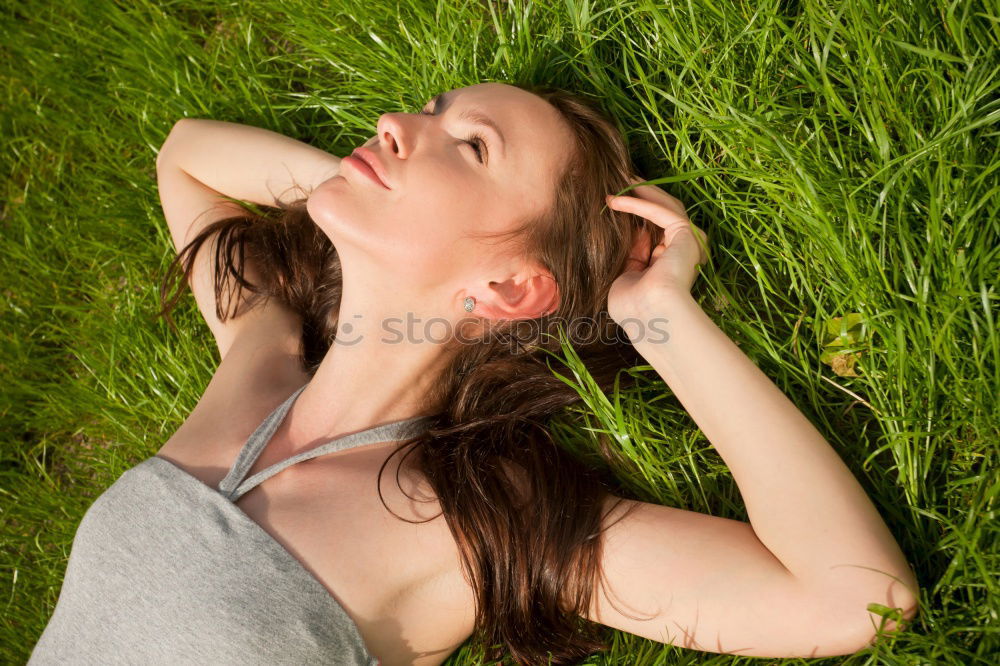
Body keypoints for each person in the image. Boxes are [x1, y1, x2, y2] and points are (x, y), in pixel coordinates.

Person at [29, 82, 919, 666]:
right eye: (429, 111)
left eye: (472, 147)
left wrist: (660, 319)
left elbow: (856, 600)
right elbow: (185, 154)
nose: (396, 126)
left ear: (509, 288)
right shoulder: (261, 359)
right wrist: (362, 198)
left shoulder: (471, 525)